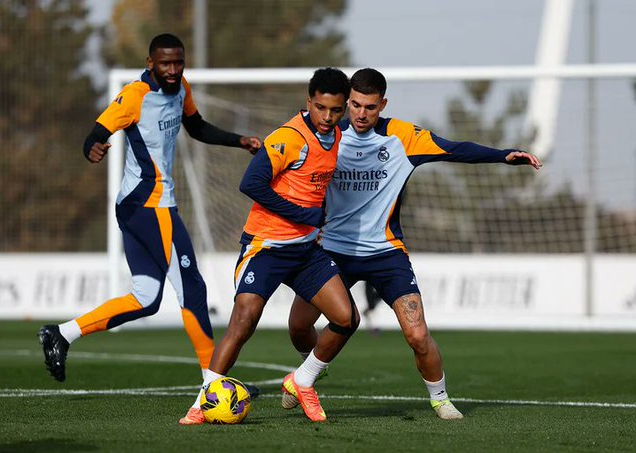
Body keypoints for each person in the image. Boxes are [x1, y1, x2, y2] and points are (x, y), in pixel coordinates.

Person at [285, 68, 542, 420]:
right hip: (331, 251)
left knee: (418, 335)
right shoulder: (325, 135)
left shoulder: (403, 137)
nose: (361, 114)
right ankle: (309, 372)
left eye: (370, 107)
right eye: (355, 105)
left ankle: (440, 398)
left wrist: (502, 155)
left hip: (386, 253)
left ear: (383, 105)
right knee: (299, 325)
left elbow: (454, 149)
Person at [36, 33, 261, 422]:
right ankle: (214, 384)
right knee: (192, 288)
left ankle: (62, 334)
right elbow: (97, 131)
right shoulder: (134, 95)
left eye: (179, 62)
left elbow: (197, 127)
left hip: (140, 206)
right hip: (149, 206)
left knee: (145, 297)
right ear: (151, 62)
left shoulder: (181, 88)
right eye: (165, 63)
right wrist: (91, 147)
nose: (173, 70)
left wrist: (238, 140)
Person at [180, 68, 358, 425]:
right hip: (266, 247)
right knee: (244, 321)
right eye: (321, 108)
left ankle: (302, 381)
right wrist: (303, 213)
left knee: (346, 318)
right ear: (309, 102)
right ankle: (202, 404)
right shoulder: (288, 137)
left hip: (306, 251)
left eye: (336, 110)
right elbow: (251, 183)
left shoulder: (339, 134)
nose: (327, 117)